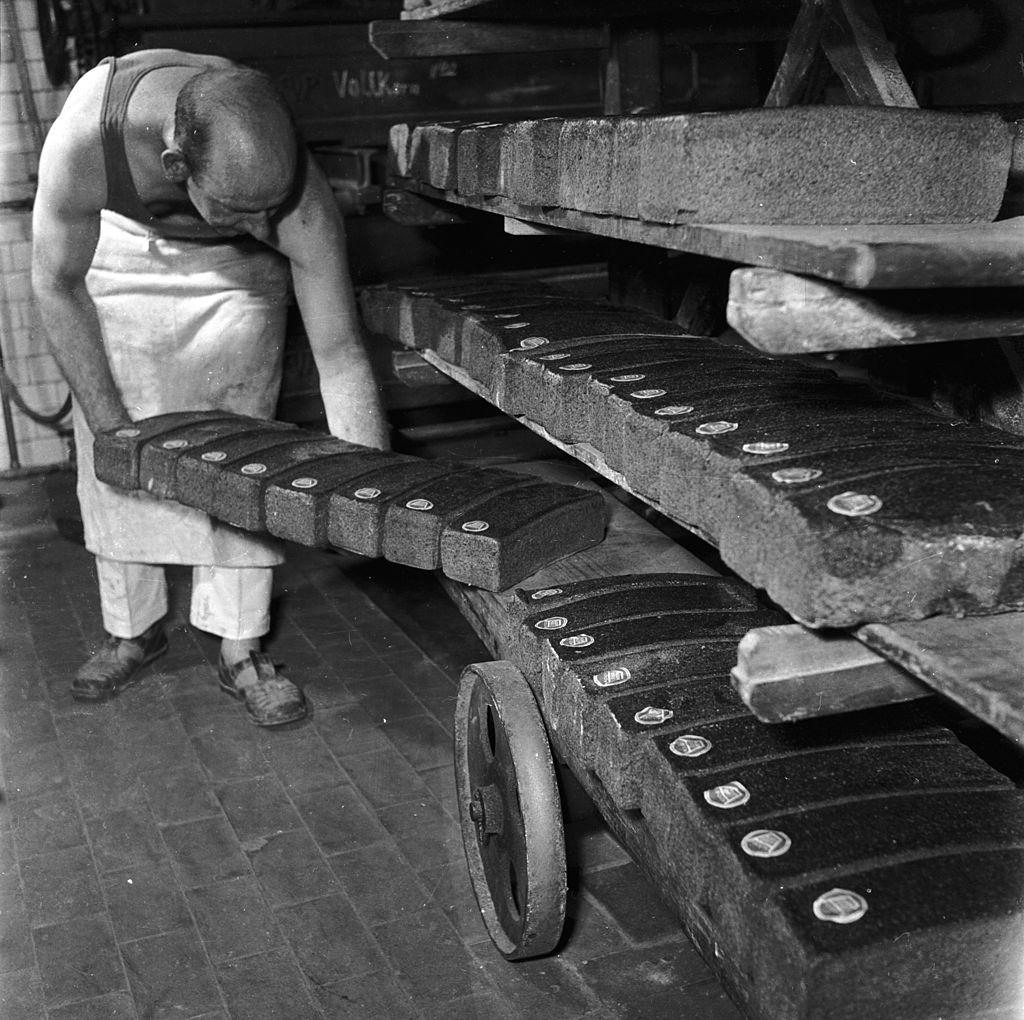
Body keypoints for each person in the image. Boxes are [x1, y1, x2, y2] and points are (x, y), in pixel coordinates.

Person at [32, 49, 389, 726]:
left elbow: (340, 352)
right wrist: (113, 430)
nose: (265, 229)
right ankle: (131, 628)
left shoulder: (291, 202)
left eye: (270, 210)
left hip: (233, 274)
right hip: (122, 248)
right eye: (243, 211)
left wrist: (365, 490)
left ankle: (241, 644)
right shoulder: (88, 137)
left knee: (243, 446)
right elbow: (54, 282)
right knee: (112, 449)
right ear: (175, 168)